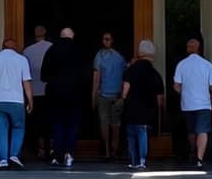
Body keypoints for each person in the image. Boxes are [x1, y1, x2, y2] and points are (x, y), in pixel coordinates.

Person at [0, 36, 33, 168]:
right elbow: (26, 82)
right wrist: (30, 100)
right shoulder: (22, 60)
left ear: (3, 47)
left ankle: (3, 160)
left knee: (1, 130)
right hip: (16, 100)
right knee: (18, 127)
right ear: (15, 48)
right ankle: (14, 154)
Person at [173, 35, 212, 168]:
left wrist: (184, 92)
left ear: (188, 49)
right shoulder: (207, 65)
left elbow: (176, 85)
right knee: (202, 130)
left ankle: (193, 151)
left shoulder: (181, 64)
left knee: (192, 131)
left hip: (188, 104)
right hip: (204, 103)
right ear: (199, 49)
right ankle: (200, 158)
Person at [41, 26, 84, 167]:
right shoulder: (79, 50)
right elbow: (86, 73)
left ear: (61, 36)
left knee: (57, 125)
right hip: (75, 94)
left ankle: (57, 155)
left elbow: (43, 75)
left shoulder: (52, 50)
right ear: (72, 36)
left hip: (55, 94)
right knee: (72, 125)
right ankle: (69, 155)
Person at [121, 38, 165, 170]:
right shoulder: (155, 74)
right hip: (147, 110)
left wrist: (124, 100)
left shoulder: (131, 70)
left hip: (131, 109)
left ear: (139, 52)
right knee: (142, 133)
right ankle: (142, 160)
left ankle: (132, 161)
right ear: (151, 54)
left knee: (130, 135)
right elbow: (159, 99)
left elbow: (124, 91)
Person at [92, 30, 127, 160]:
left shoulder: (100, 56)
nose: (105, 41)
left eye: (107, 39)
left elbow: (96, 78)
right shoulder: (120, 58)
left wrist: (93, 97)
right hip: (113, 95)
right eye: (104, 39)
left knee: (107, 123)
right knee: (113, 124)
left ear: (112, 40)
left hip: (107, 95)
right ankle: (112, 150)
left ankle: (109, 149)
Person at [22, 24, 52, 161]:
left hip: (33, 92)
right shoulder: (52, 47)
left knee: (37, 122)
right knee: (50, 120)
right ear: (45, 32)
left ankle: (41, 149)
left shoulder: (27, 51)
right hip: (49, 91)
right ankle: (51, 148)